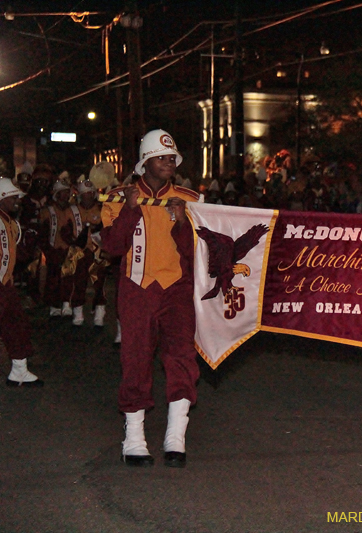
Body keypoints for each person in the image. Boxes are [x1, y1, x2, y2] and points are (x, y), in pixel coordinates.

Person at [101, 129, 201, 468]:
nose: (170, 162)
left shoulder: (189, 199)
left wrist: (182, 222)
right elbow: (112, 247)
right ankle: (133, 438)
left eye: (172, 158)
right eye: (162, 157)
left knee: (182, 357)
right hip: (136, 287)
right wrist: (129, 211)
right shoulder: (117, 198)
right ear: (145, 162)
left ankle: (176, 437)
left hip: (177, 288)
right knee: (136, 359)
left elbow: (198, 254)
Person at [0, 178, 43, 387]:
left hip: (5, 284)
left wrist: (29, 251)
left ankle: (19, 370)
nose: (17, 201)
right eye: (13, 197)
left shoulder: (11, 222)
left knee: (16, 325)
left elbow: (13, 254)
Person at [40, 179, 81, 318]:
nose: (66, 195)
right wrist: (47, 250)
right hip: (54, 249)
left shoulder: (74, 210)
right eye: (62, 192)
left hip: (70, 249)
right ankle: (54, 306)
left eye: (67, 192)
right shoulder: (48, 211)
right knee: (53, 279)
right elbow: (43, 232)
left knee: (69, 278)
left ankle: (66, 304)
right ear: (56, 194)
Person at [70, 179, 108, 327]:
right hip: (79, 253)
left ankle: (99, 312)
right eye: (85, 194)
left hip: (97, 252)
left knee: (99, 283)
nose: (88, 196)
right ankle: (78, 312)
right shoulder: (73, 210)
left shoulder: (102, 210)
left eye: (90, 193)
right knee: (78, 282)